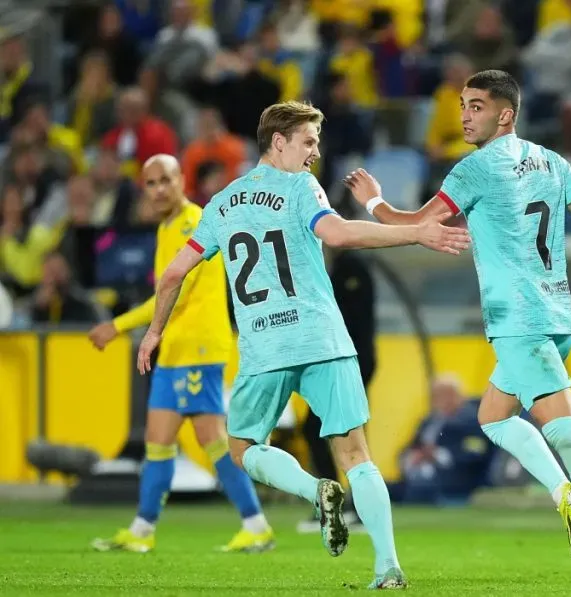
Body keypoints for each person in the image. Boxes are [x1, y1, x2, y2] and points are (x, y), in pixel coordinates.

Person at [135, 101, 470, 589]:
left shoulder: (221, 204)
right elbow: (336, 232)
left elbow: (172, 274)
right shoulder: (300, 188)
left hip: (265, 349)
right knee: (357, 455)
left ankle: (316, 492)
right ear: (278, 141)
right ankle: (388, 567)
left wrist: (153, 331)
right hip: (323, 339)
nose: (315, 152)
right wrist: (414, 232)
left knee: (243, 447)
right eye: (308, 141)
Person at [343, 69, 571, 592]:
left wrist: (372, 201)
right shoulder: (552, 161)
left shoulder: (475, 169)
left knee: (565, 428)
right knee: (493, 416)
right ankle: (565, 496)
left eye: (476, 105)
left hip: (518, 320)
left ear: (505, 113)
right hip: (558, 314)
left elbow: (414, 222)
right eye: (462, 104)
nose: (464, 114)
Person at [89, 154, 273, 554]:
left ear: (181, 180)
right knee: (157, 441)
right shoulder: (167, 226)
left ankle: (256, 524)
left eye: (165, 181)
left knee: (214, 441)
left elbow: (175, 291)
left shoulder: (194, 221)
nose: (158, 190)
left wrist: (118, 325)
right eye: (150, 183)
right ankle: (142, 531)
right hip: (175, 350)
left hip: (200, 347)